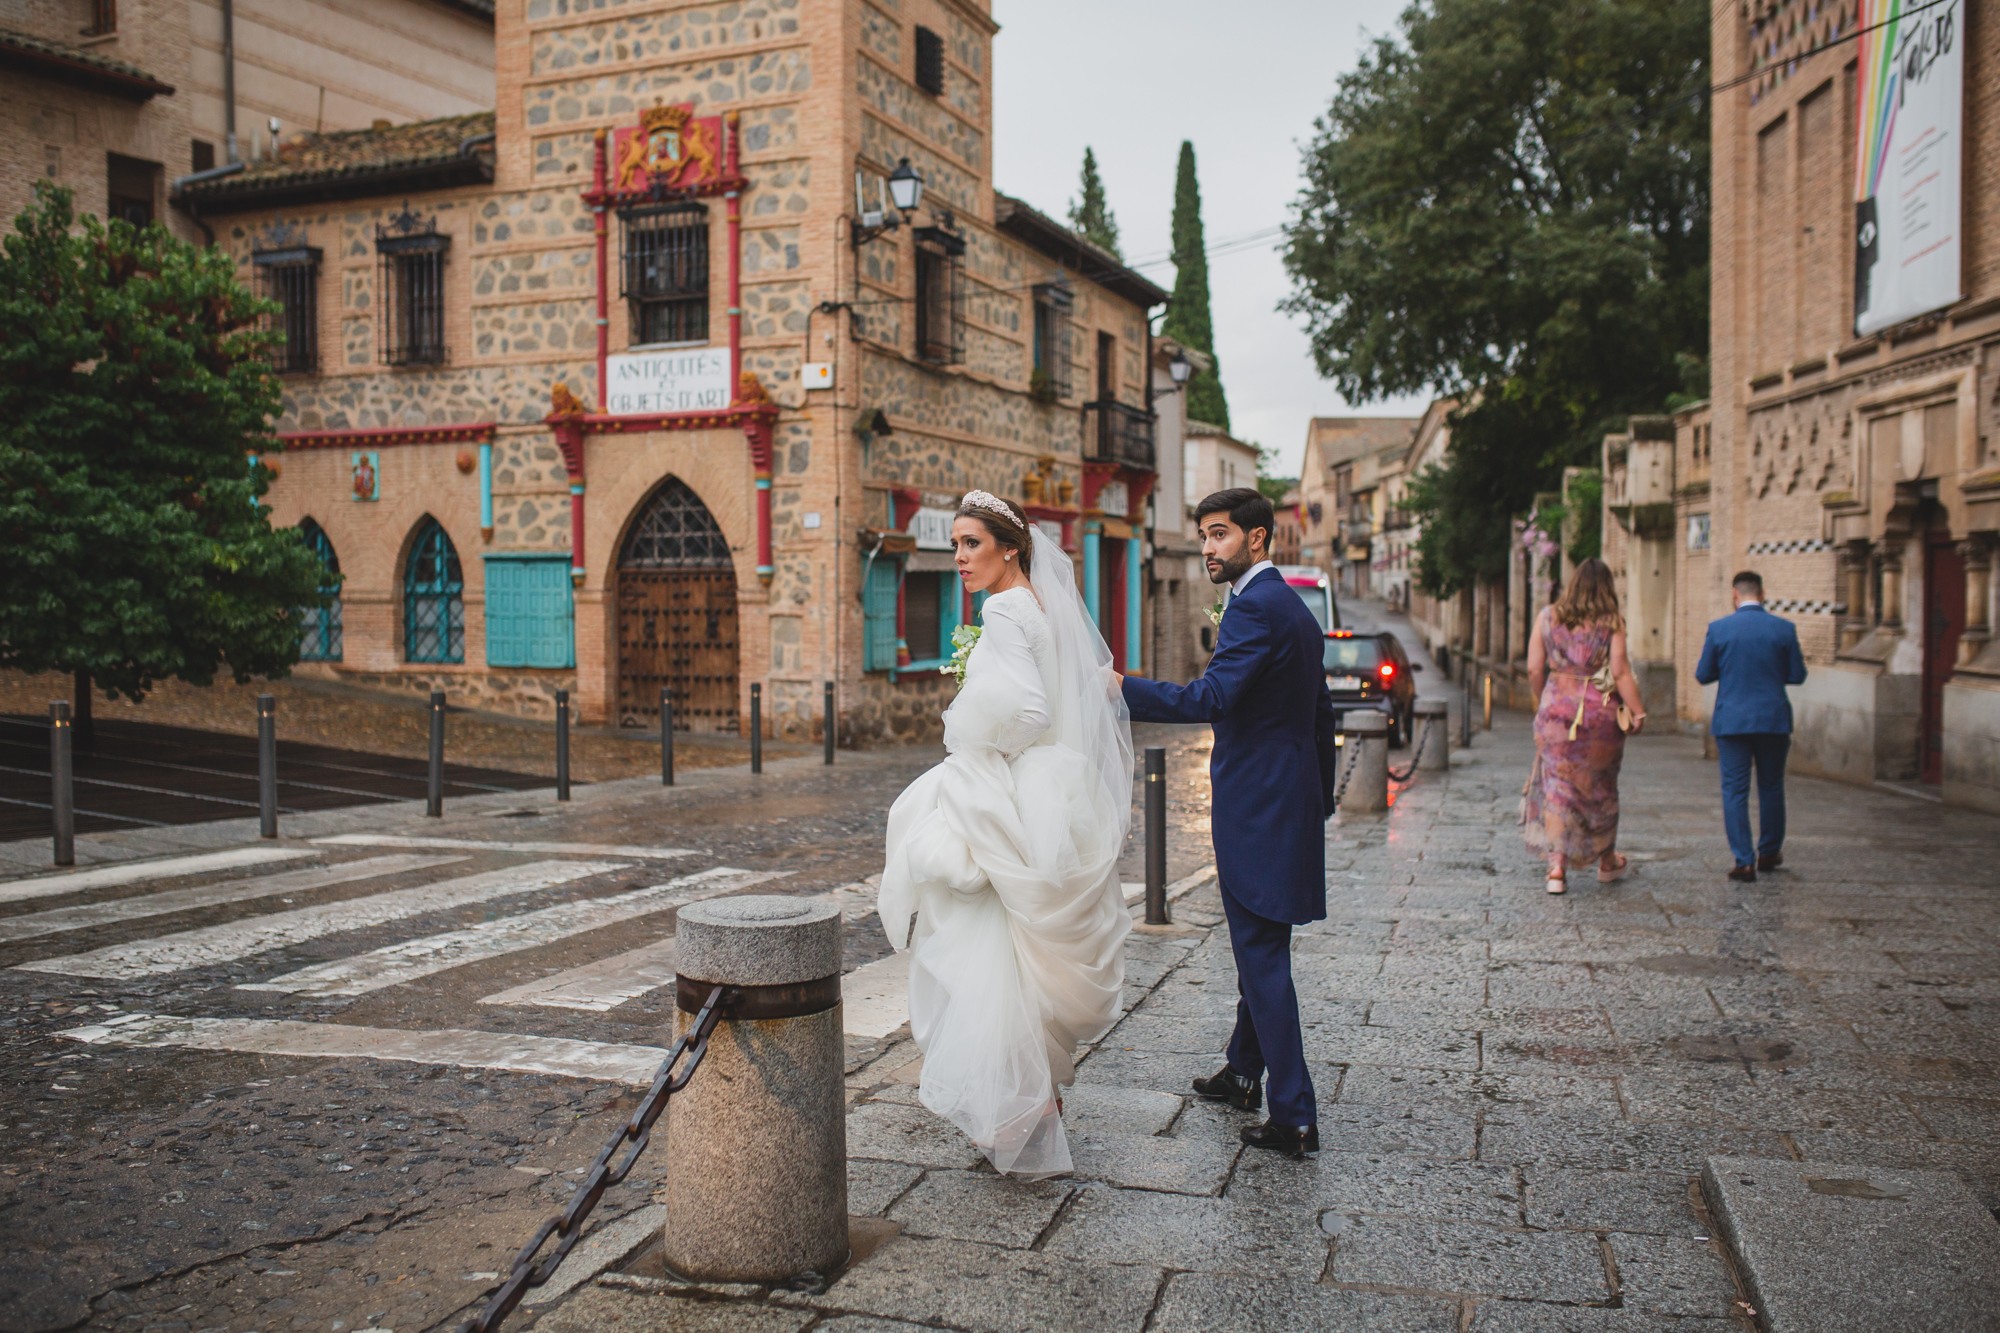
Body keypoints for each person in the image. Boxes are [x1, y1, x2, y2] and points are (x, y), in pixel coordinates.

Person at [876, 491, 1132, 1178]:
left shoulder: (1002, 610)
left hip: (1013, 783)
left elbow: (1031, 711)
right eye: (955, 545)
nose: (959, 558)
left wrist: (979, 744)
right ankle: (1031, 1103)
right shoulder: (1038, 604)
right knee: (1016, 952)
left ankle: (1019, 1112)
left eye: (972, 544)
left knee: (983, 950)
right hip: (1052, 786)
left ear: (1010, 547)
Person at [1120, 488, 1339, 1160]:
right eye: (1204, 536)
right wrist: (1319, 799)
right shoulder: (1290, 607)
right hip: (1285, 801)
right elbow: (1320, 711)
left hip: (1258, 809)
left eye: (1220, 534)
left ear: (1257, 538)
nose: (1208, 548)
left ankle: (1294, 1113)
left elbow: (1211, 698)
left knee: (1262, 958)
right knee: (1260, 947)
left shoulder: (1255, 608)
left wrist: (1121, 688)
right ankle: (1244, 1071)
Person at [1523, 559, 1649, 895]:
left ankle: (1556, 868)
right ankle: (1607, 862)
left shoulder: (1547, 617)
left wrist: (1546, 700)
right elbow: (1620, 671)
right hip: (1599, 715)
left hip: (1556, 712)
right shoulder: (1611, 622)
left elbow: (1534, 668)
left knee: (1557, 786)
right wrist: (1638, 712)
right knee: (1601, 787)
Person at [1694, 569, 1807, 882]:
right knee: (1771, 785)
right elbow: (1797, 675)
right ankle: (1769, 851)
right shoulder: (1783, 629)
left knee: (1734, 789)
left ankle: (1744, 860)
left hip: (1732, 720)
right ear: (1762, 593)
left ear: (1734, 594)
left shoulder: (1719, 629)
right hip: (1773, 718)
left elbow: (1703, 674)